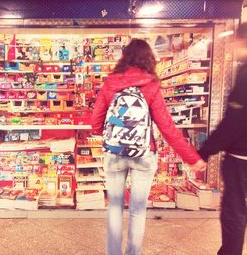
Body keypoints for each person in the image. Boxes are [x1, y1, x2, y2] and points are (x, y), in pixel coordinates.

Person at [91, 38, 206, 255]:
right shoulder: (151, 84)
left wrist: (111, 134)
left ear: (124, 58)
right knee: (137, 210)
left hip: (114, 153)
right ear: (149, 59)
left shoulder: (111, 83)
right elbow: (167, 127)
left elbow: (95, 122)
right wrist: (192, 157)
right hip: (144, 154)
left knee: (115, 207)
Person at [198, 23, 247, 255]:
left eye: (236, 41)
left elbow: (233, 121)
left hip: (241, 158)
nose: (234, 46)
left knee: (234, 211)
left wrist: (205, 151)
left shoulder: (246, 73)